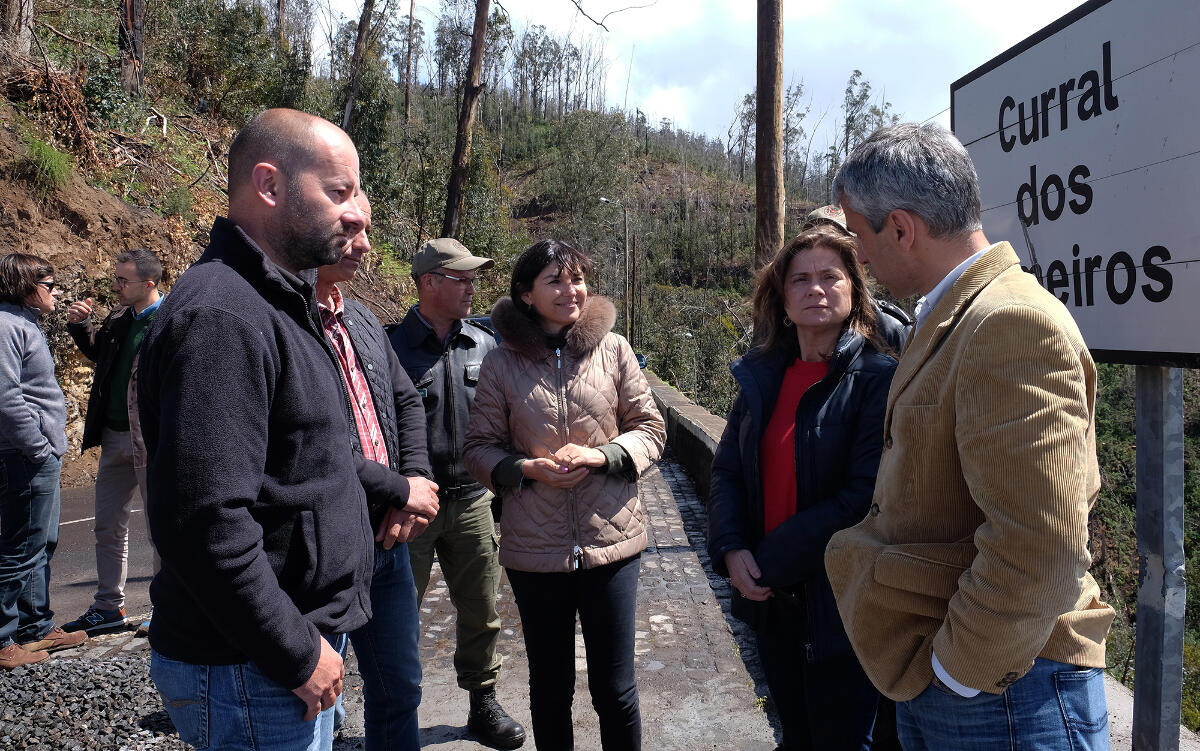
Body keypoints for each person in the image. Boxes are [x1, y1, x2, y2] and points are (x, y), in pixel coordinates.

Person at [824, 122, 1114, 750]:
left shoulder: (1007, 321)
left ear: (901, 227)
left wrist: (956, 674)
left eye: (859, 234)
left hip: (1004, 693)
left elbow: (1040, 547)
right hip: (981, 682)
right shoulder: (957, 314)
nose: (860, 256)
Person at [137, 108, 417, 751]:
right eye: (339, 191)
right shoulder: (222, 315)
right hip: (251, 672)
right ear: (268, 185)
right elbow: (204, 524)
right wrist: (295, 652)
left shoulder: (281, 305)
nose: (360, 213)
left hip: (274, 658)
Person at [464, 239, 666, 751]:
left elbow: (650, 427)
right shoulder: (501, 363)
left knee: (614, 690)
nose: (570, 290)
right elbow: (478, 450)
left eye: (576, 278)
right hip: (535, 551)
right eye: (554, 280)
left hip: (611, 542)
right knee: (550, 689)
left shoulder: (614, 349)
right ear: (526, 294)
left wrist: (603, 455)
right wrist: (525, 468)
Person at [707, 226, 898, 750]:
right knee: (793, 733)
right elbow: (726, 470)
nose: (816, 289)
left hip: (842, 607)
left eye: (830, 277)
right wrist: (731, 548)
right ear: (782, 298)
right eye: (801, 280)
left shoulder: (878, 378)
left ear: (854, 291)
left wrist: (768, 560)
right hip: (771, 602)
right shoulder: (763, 377)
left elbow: (862, 498)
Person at [387, 237, 526, 749]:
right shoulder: (389, 347)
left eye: (473, 279)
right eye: (460, 279)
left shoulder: (484, 345)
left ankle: (482, 703)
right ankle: (395, 712)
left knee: (481, 609)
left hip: (471, 501)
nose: (472, 288)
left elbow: (504, 421)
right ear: (427, 283)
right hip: (410, 507)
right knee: (397, 614)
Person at [316, 203, 440, 750]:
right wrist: (400, 490)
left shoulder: (360, 318)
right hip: (325, 551)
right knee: (316, 702)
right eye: (350, 230)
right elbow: (315, 447)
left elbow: (406, 400)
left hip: (387, 544)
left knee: (400, 689)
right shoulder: (286, 321)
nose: (365, 245)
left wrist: (411, 483)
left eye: (367, 230)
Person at [62, 247, 164, 636]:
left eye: (123, 281)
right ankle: (108, 607)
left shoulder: (169, 320)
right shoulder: (121, 317)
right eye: (115, 279)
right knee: (107, 525)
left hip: (150, 440)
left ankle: (166, 607)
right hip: (114, 436)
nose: (115, 287)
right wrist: (80, 327)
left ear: (149, 284)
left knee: (160, 529)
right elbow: (100, 354)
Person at [0, 253, 88, 669]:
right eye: (49, 285)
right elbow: (5, 398)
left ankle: (36, 627)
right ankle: (4, 640)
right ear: (25, 286)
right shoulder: (6, 325)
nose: (56, 292)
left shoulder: (23, 323)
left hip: (34, 453)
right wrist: (37, 446)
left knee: (40, 542)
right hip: (23, 455)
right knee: (21, 547)